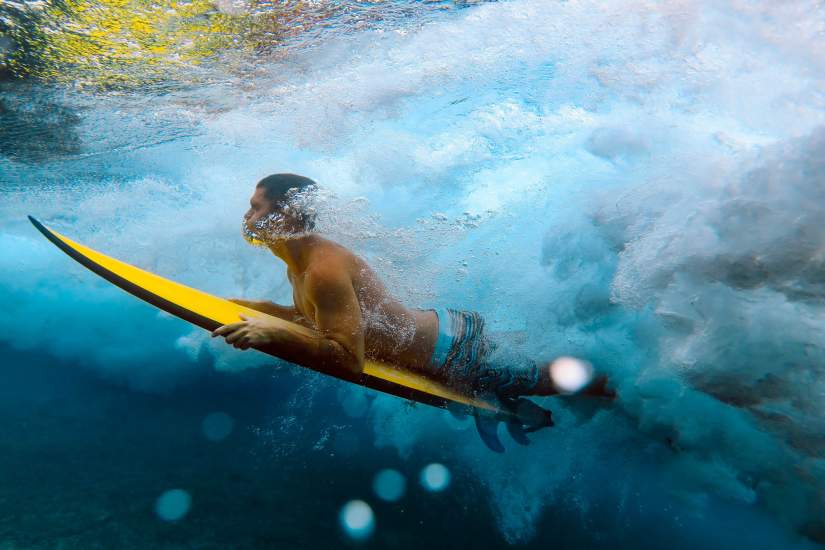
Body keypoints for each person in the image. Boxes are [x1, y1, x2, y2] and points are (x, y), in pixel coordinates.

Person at [212, 173, 613, 401]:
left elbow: (347, 357)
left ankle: (622, 394)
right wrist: (253, 309)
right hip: (443, 335)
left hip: (452, 353)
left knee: (551, 382)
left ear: (287, 213)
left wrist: (274, 332)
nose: (247, 215)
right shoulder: (297, 263)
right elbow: (315, 317)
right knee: (528, 366)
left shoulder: (322, 270)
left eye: (256, 206)